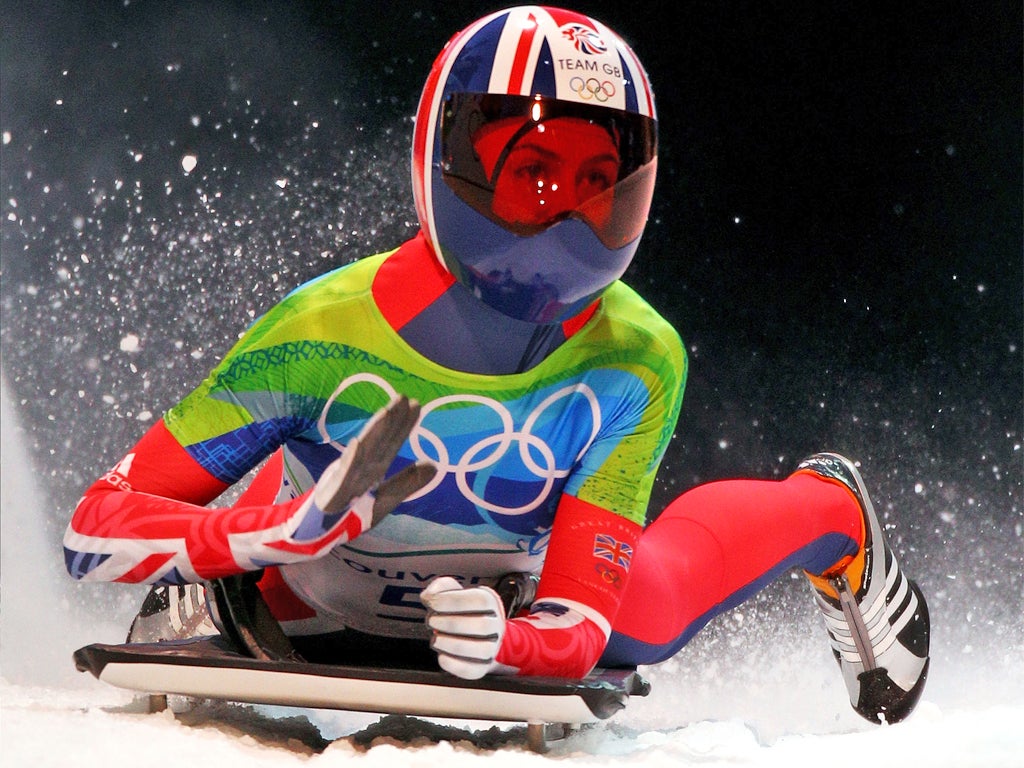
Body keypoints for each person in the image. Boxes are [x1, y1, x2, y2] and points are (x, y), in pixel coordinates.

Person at [64, 5, 930, 724]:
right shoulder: (319, 331)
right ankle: (212, 588)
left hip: (521, 584)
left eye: (602, 183)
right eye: (535, 175)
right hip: (299, 585)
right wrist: (245, 540)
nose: (570, 220)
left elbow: (581, 627)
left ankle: (831, 510)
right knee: (275, 525)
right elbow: (90, 531)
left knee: (649, 615)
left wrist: (510, 641)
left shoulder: (639, 356)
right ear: (444, 164)